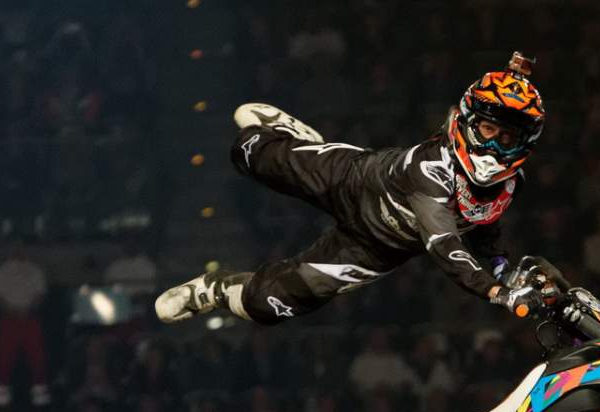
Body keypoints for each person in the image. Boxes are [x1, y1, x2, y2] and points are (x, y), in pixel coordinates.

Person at [155, 52, 546, 329]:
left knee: (267, 306)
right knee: (247, 152)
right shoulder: (430, 168)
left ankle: (214, 290)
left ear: (524, 142)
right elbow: (445, 246)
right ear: (466, 122)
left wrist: (502, 268)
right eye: (488, 130)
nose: (494, 145)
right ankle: (285, 134)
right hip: (354, 180)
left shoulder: (510, 184)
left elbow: (483, 225)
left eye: (507, 137)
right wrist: (496, 291)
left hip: (376, 249)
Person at [0, 239, 50, 408]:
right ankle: (2, 396)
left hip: (30, 318)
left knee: (37, 356)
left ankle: (40, 395)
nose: (18, 249)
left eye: (21, 246)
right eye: (15, 246)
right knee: (4, 357)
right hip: (8, 319)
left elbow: (40, 294)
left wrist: (28, 310)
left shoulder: (35, 271)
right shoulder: (0, 271)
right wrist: (12, 311)